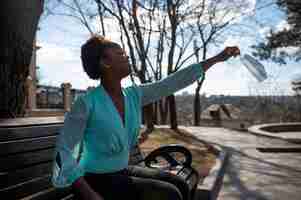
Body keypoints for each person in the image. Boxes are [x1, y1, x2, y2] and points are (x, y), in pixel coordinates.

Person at [52, 35, 240, 200]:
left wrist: (216, 59)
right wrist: (89, 195)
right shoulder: (86, 104)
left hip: (122, 171)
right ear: (105, 62)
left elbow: (171, 83)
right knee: (169, 194)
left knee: (180, 183)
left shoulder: (133, 95)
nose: (127, 56)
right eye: (120, 54)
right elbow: (64, 151)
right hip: (94, 179)